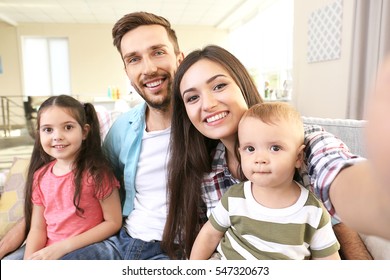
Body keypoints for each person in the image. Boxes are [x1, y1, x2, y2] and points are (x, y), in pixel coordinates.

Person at [0, 12, 373, 260]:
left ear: (178, 58)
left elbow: (334, 182)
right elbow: (76, 185)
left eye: (158, 52)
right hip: (123, 243)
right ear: (126, 71)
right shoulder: (133, 133)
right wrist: (31, 227)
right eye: (134, 59)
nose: (148, 68)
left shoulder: (277, 137)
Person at [162, 44, 374, 259]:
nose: (208, 104)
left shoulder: (302, 139)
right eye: (192, 98)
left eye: (218, 86)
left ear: (243, 85)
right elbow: (206, 238)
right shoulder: (206, 169)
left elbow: (333, 165)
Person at [190, 102, 340, 260]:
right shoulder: (234, 197)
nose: (259, 159)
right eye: (250, 149)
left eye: (275, 148)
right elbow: (209, 235)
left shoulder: (314, 211)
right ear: (240, 153)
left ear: (298, 157)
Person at [18, 95, 121, 260]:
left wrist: (63, 247)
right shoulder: (40, 176)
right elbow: (38, 228)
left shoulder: (97, 173)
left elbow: (113, 222)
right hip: (47, 251)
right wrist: (28, 262)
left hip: (85, 250)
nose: (57, 136)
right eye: (48, 129)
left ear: (85, 132)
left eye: (67, 127)